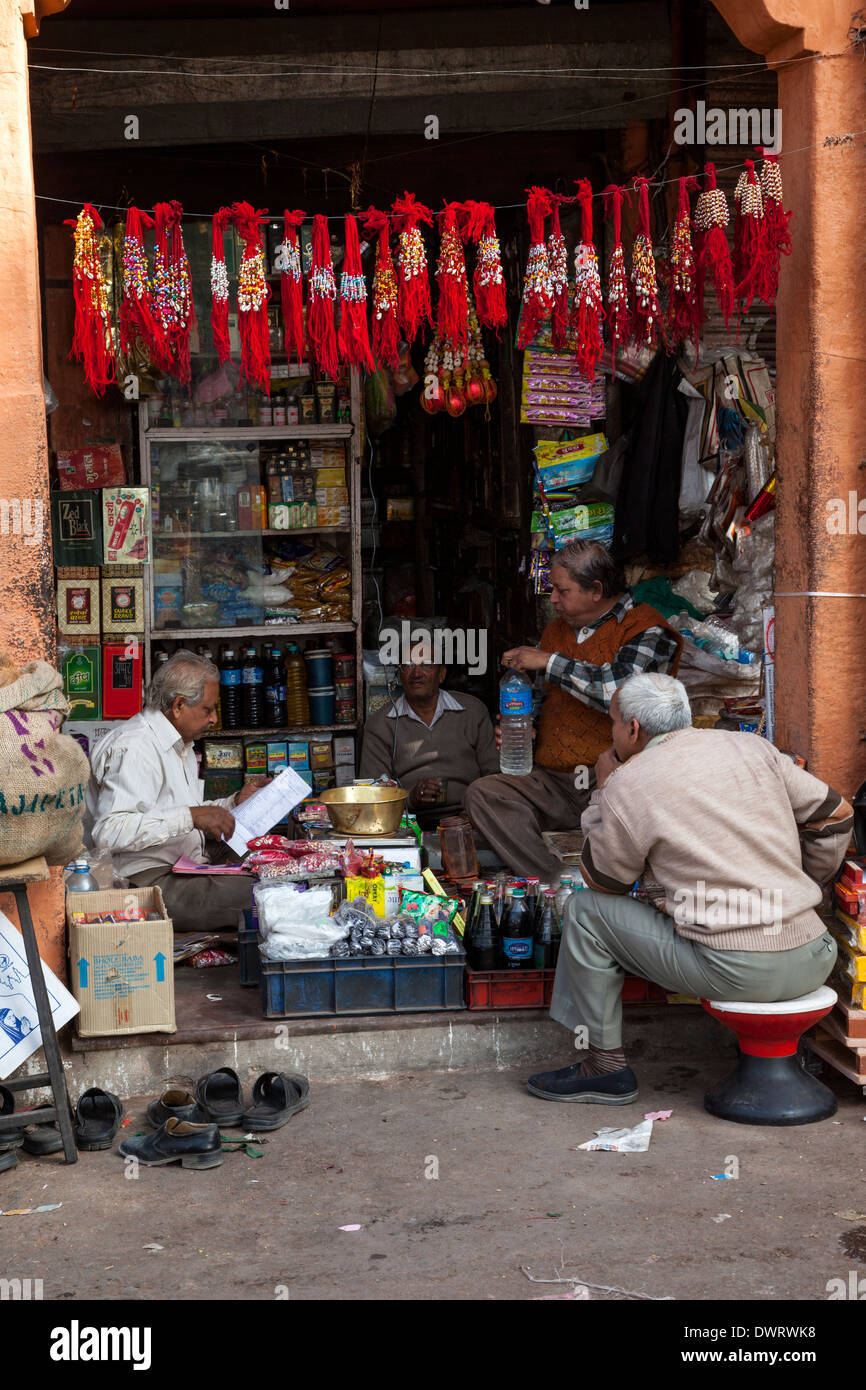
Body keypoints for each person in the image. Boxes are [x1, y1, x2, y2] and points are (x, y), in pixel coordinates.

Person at [527, 672, 851, 1105]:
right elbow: (837, 815)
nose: (612, 734)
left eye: (612, 723)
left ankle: (604, 1068)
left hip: (737, 971)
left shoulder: (630, 780)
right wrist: (810, 884)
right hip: (815, 954)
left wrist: (604, 791)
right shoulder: (752, 747)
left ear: (633, 729)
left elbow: (605, 881)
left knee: (587, 912)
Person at [464, 540, 683, 881]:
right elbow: (539, 697)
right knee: (485, 794)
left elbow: (620, 693)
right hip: (556, 782)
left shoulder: (645, 629)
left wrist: (548, 661)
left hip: (615, 777)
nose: (552, 599)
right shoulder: (556, 631)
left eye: (560, 590)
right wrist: (525, 726)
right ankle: (555, 886)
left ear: (595, 590)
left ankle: (605, 892)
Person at [87, 650, 266, 931]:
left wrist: (233, 803)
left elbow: (175, 809)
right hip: (144, 880)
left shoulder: (178, 744)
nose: (213, 719)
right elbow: (109, 831)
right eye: (208, 709)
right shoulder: (135, 747)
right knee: (259, 895)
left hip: (185, 861)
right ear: (179, 705)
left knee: (268, 861)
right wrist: (191, 817)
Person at [359, 652, 498, 821]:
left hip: (471, 817)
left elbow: (495, 776)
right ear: (399, 675)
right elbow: (373, 793)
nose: (416, 673)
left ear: (441, 674)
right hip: (408, 821)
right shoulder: (380, 723)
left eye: (426, 665)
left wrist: (474, 812)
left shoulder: (472, 711)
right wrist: (411, 798)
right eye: (408, 665)